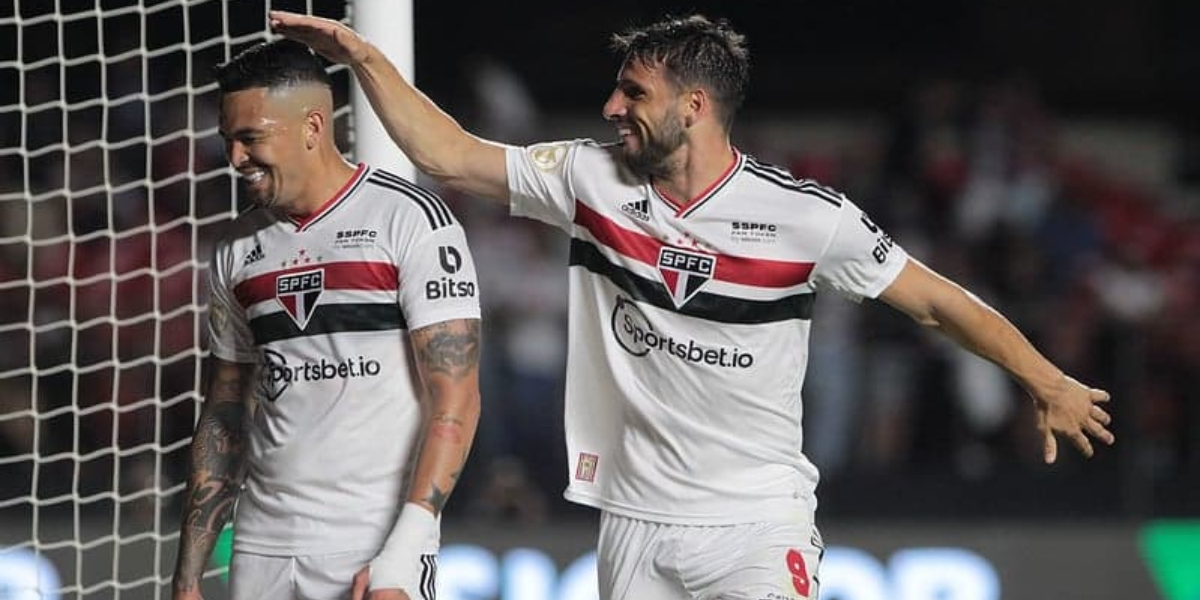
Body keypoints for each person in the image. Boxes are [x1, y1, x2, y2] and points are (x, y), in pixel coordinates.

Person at [270, 12, 1116, 600]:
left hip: (756, 523)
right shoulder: (589, 178)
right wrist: (363, 58)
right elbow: (451, 156)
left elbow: (936, 303)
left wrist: (1046, 380)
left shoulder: (804, 216)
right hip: (632, 523)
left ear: (694, 106)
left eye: (632, 93)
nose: (611, 108)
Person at [170, 39, 482, 600]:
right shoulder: (236, 247)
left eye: (250, 138)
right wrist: (189, 570)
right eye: (228, 141)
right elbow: (224, 409)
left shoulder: (410, 220)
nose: (235, 157)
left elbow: (455, 396)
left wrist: (406, 546)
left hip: (370, 541)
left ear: (313, 126)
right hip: (260, 543)